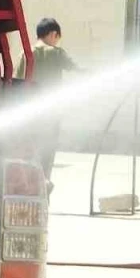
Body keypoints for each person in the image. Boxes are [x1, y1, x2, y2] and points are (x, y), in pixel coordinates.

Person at [16, 17, 81, 186]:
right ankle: (44, 187)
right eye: (57, 37)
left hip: (29, 116)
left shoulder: (25, 55)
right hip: (51, 115)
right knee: (47, 154)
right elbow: (77, 68)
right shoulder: (56, 53)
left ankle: (29, 188)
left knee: (29, 153)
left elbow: (15, 84)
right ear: (53, 34)